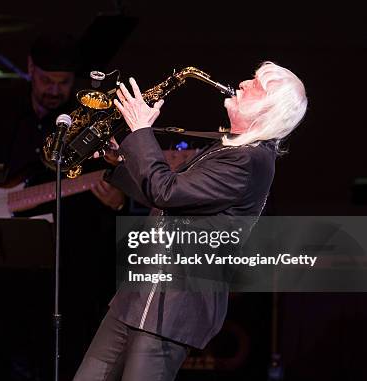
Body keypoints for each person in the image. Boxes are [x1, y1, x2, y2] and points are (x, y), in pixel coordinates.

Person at [73, 61, 308, 380]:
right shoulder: (231, 149)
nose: (242, 83)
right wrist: (121, 158)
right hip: (138, 295)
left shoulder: (249, 161)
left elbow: (166, 192)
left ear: (268, 109)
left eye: (255, 84)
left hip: (172, 308)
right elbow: (172, 201)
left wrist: (141, 131)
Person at [0, 33, 126, 379]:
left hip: (68, 261)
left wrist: (118, 200)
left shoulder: (90, 117)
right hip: (5, 262)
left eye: (63, 83)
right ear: (30, 69)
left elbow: (120, 186)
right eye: (46, 81)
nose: (54, 90)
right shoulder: (1, 107)